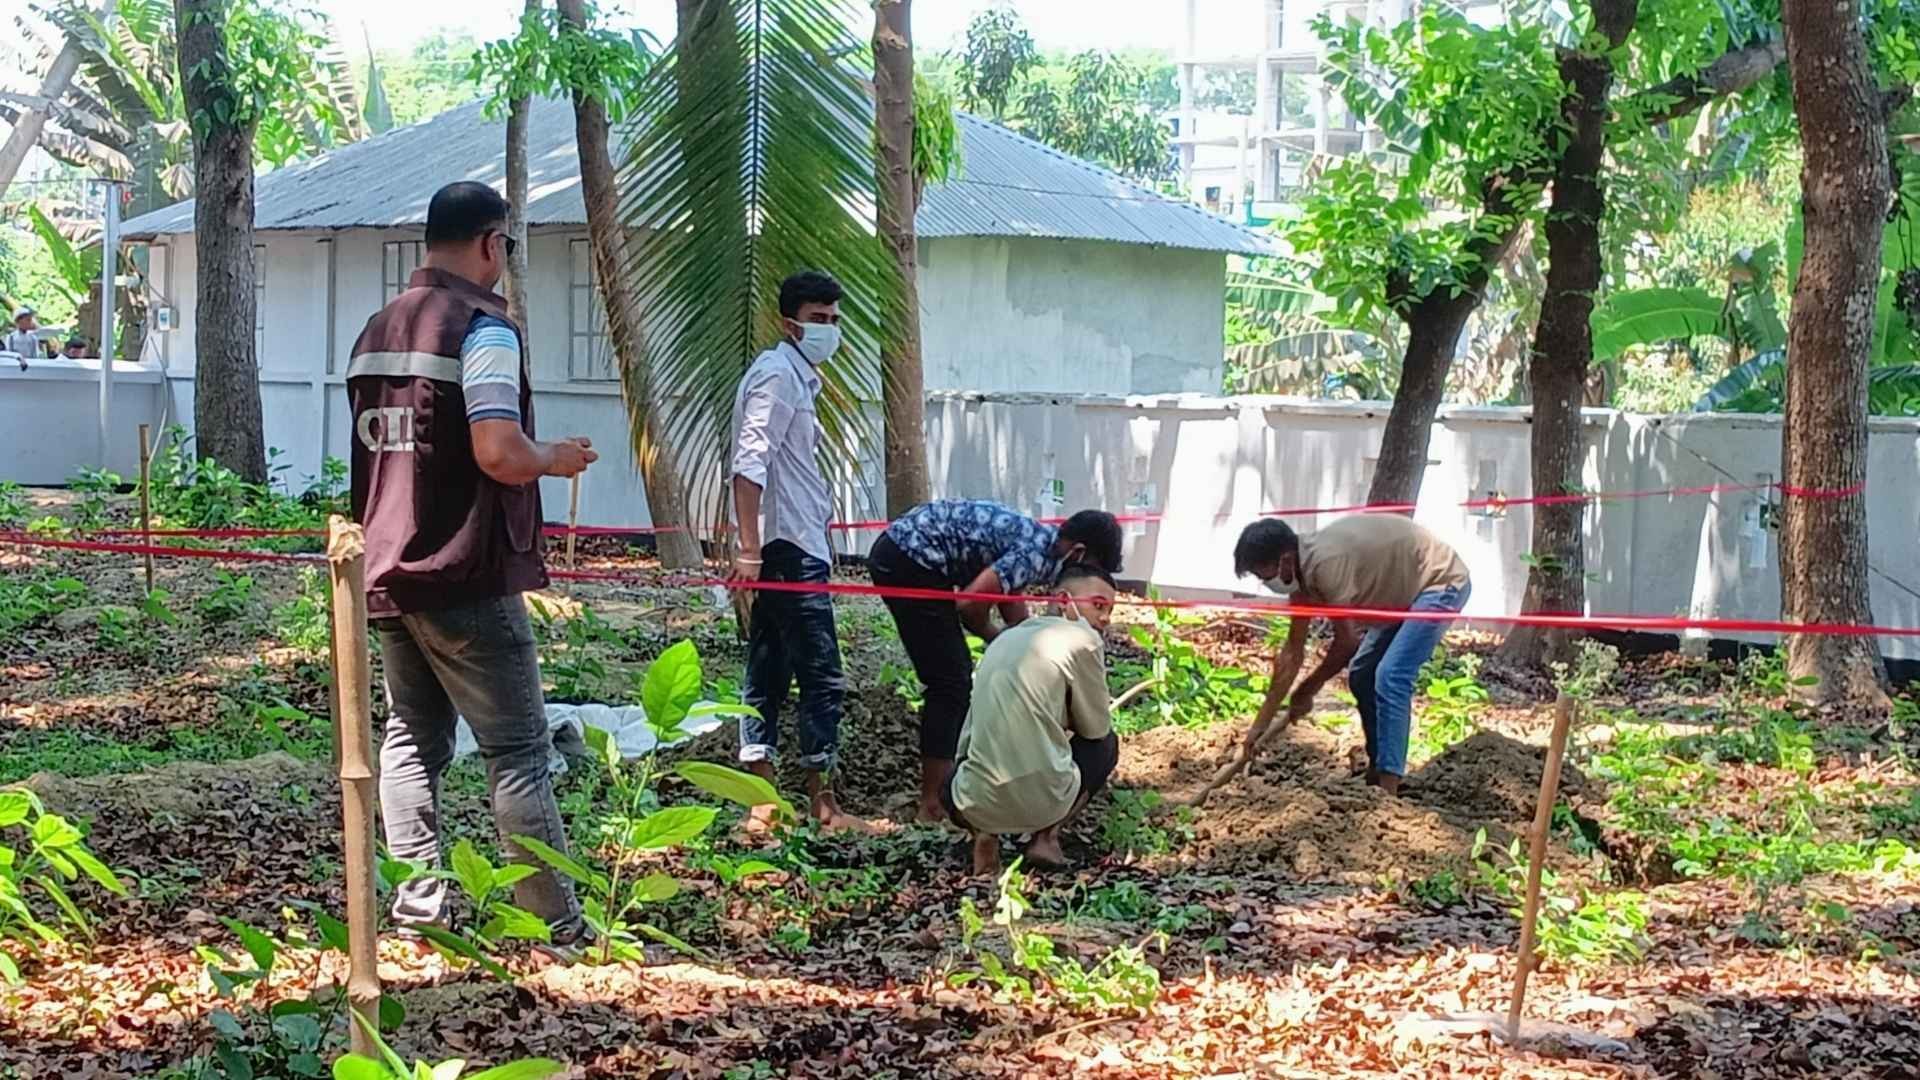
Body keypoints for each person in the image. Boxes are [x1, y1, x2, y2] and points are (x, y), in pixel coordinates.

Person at [347, 180, 598, 957]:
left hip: (387, 569)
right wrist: (553, 458)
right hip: (465, 571)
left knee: (411, 741)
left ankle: (420, 909)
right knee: (519, 751)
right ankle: (554, 925)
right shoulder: (484, 329)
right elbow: (497, 450)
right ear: (493, 243)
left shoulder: (377, 329)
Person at [869, 499, 1123, 823]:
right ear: (1078, 553)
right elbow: (971, 604)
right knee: (950, 681)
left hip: (909, 549)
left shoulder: (1037, 542)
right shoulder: (1035, 554)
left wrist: (1027, 651)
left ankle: (943, 795)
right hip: (909, 556)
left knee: (954, 675)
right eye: (1090, 572)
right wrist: (1001, 640)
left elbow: (1014, 611)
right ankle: (933, 803)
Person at [729, 269, 865, 832]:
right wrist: (749, 549)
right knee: (821, 675)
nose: (828, 330)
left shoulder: (796, 375)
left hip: (797, 540)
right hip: (786, 548)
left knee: (767, 668)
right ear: (790, 324)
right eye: (817, 320)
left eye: (834, 320)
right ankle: (822, 806)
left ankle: (761, 800)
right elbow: (749, 460)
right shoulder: (778, 376)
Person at [1232, 514, 1471, 795]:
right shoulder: (1301, 578)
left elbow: (1347, 643)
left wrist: (1308, 688)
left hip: (1438, 582)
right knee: (1361, 675)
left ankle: (1388, 788)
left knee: (1391, 675)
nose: (1265, 583)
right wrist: (1259, 726)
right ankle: (1377, 767)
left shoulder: (1326, 563)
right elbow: (1291, 655)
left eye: (1264, 575)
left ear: (1284, 560)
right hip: (1400, 596)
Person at [946, 565, 1121, 875]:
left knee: (957, 771)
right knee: (1106, 744)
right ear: (1065, 601)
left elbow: (967, 737)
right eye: (1098, 605)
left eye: (1110, 610)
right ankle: (1046, 838)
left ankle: (983, 833)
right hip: (1042, 802)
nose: (1105, 618)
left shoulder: (1005, 638)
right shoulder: (1083, 639)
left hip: (968, 801)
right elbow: (1094, 729)